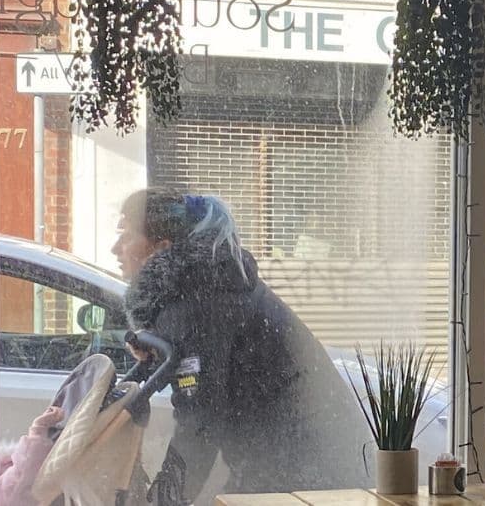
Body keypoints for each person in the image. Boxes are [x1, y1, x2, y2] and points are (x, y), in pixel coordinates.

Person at [112, 190, 368, 498]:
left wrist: (164, 500)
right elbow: (210, 363)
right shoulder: (206, 285)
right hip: (303, 459)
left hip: (305, 469)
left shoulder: (202, 299)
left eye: (125, 236)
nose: (116, 248)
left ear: (161, 248)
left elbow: (199, 420)